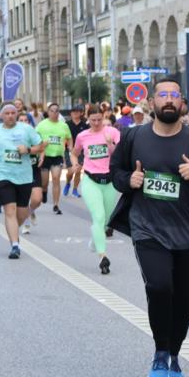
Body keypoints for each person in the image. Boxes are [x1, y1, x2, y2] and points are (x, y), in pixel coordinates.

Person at [110, 77, 189, 377]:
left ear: (183, 103)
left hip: (187, 229)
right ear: (152, 103)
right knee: (160, 286)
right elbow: (116, 171)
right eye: (163, 95)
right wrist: (129, 180)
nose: (169, 99)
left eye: (175, 95)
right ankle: (161, 352)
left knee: (185, 297)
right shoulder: (134, 136)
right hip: (147, 227)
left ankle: (174, 353)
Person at [0, 103, 44, 257]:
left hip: (24, 177)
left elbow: (41, 147)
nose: (10, 116)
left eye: (13, 113)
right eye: (7, 113)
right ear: (1, 115)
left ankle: (13, 230)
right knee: (9, 209)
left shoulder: (26, 129)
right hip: (3, 175)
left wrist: (28, 150)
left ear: (17, 114)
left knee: (21, 213)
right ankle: (15, 246)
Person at [72, 105, 122, 274]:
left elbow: (120, 154)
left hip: (109, 181)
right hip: (90, 180)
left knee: (106, 221)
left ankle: (95, 242)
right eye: (93, 120)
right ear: (88, 119)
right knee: (98, 216)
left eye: (99, 119)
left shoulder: (112, 132)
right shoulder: (82, 136)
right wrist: (75, 164)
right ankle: (102, 256)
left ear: (103, 117)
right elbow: (74, 153)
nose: (96, 123)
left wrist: (110, 144)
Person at [34, 102, 73, 214]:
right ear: (48, 112)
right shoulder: (42, 125)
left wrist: (70, 147)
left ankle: (56, 205)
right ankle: (44, 191)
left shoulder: (63, 125)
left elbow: (69, 137)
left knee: (56, 179)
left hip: (57, 156)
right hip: (44, 156)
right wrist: (40, 146)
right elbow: (35, 137)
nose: (54, 113)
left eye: (57, 111)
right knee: (44, 182)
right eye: (52, 111)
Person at [64, 106, 89, 197]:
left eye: (77, 111)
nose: (75, 113)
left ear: (81, 113)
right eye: (73, 111)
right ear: (70, 113)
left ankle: (75, 189)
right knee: (70, 171)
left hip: (81, 150)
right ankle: (67, 183)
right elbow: (63, 137)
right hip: (69, 149)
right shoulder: (66, 124)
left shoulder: (85, 125)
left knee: (78, 170)